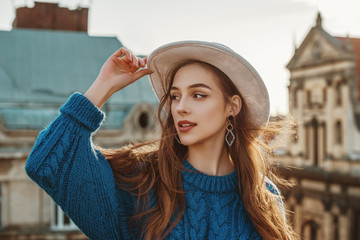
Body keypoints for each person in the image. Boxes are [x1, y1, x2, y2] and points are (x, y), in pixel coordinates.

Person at [25, 41, 297, 239]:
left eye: (198, 95)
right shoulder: (141, 186)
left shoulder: (264, 198)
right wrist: (104, 85)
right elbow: (46, 163)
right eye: (175, 96)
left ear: (232, 106)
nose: (180, 107)